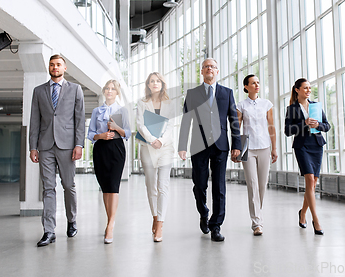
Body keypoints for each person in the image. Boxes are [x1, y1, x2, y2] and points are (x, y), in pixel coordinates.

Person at [178, 58, 241, 242]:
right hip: (199, 145)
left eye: (212, 66)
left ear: (217, 71)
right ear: (202, 71)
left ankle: (216, 225)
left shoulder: (227, 93)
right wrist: (182, 146)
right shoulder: (192, 94)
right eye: (206, 67)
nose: (209, 69)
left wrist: (236, 145)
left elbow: (234, 121)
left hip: (221, 146)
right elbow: (185, 122)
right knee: (199, 184)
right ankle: (204, 212)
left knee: (219, 187)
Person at [29, 54, 85, 247]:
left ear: (65, 68)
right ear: (49, 68)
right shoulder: (38, 91)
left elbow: (79, 120)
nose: (55, 67)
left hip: (67, 145)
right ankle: (49, 231)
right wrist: (33, 147)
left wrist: (79, 144)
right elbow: (34, 120)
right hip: (45, 146)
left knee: (68, 185)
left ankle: (71, 220)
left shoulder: (76, 90)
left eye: (58, 65)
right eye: (52, 65)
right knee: (48, 188)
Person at [87, 80, 131, 244]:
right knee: (105, 187)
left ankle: (111, 224)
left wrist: (115, 127)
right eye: (107, 88)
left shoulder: (122, 111)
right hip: (100, 149)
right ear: (104, 91)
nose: (110, 91)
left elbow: (127, 133)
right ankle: (109, 220)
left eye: (113, 89)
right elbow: (90, 133)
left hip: (116, 149)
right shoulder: (96, 111)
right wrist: (101, 136)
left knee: (113, 186)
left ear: (117, 92)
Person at [284, 78, 330, 235]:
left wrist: (318, 125)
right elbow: (287, 131)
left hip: (316, 145)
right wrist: (304, 123)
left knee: (312, 184)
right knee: (309, 180)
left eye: (310, 88)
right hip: (302, 146)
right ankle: (316, 220)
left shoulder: (316, 106)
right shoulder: (291, 109)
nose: (308, 90)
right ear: (297, 90)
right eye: (305, 88)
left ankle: (302, 213)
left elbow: (327, 126)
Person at [236, 74, 278, 236]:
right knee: (252, 184)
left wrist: (274, 148)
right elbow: (237, 128)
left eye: (258, 82)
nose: (257, 85)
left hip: (265, 147)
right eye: (253, 83)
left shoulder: (266, 104)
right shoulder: (241, 106)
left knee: (262, 185)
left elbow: (271, 127)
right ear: (246, 87)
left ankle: (257, 214)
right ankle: (257, 223)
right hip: (248, 148)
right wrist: (237, 149)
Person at [137, 72, 176, 242]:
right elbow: (140, 124)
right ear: (148, 85)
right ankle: (155, 215)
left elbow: (171, 124)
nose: (155, 83)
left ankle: (160, 223)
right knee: (151, 185)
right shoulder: (142, 103)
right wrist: (152, 140)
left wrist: (160, 141)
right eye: (151, 81)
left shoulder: (169, 103)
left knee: (163, 186)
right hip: (147, 148)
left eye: (157, 81)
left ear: (162, 84)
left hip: (165, 148)